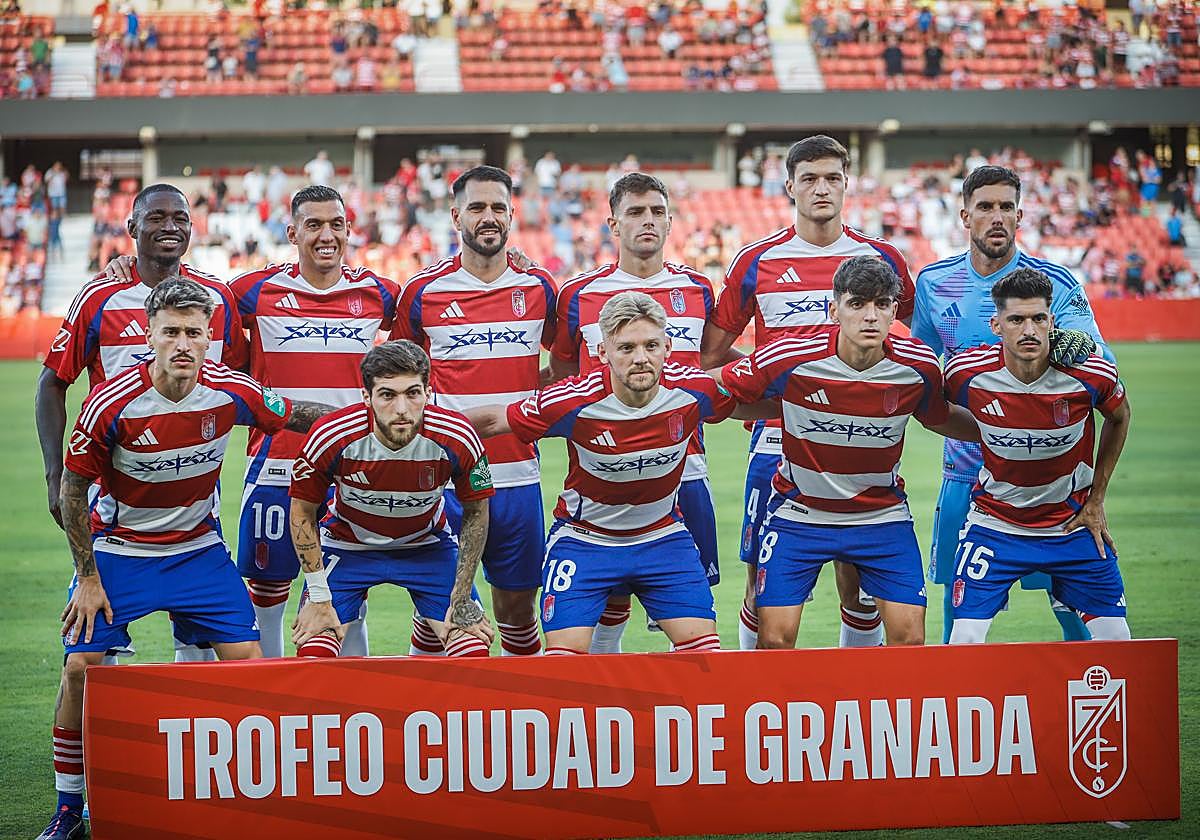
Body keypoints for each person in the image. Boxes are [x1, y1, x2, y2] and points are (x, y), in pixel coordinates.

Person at [36, 276, 329, 840]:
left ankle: (249, 791)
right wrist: (87, 578)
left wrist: (369, 414)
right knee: (79, 669)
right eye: (170, 332)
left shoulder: (232, 391)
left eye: (194, 333)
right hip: (120, 551)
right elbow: (72, 493)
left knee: (249, 665)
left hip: (198, 551)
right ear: (149, 335)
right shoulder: (110, 403)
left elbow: (295, 413)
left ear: (209, 338)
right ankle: (69, 807)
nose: (183, 344)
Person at [699, 135, 915, 651]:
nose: (822, 188)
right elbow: (712, 354)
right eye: (810, 179)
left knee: (860, 587)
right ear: (789, 186)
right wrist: (777, 387)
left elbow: (907, 344)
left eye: (832, 178)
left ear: (847, 184)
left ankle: (855, 691)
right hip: (777, 441)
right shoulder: (758, 260)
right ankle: (756, 691)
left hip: (862, 440)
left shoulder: (882, 258)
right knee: (760, 586)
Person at [465, 292, 759, 655]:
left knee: (705, 656)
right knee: (562, 662)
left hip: (662, 537)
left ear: (668, 348)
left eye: (651, 346)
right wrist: (422, 432)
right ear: (603, 353)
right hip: (585, 541)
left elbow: (751, 403)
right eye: (626, 348)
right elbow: (493, 420)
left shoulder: (694, 390)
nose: (641, 358)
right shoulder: (573, 400)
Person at [715, 256, 980, 648]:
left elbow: (940, 417)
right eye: (857, 303)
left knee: (910, 640)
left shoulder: (919, 367)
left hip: (881, 516)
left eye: (881, 304)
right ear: (834, 309)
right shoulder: (788, 358)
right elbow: (718, 390)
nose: (870, 316)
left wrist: (1010, 430)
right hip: (799, 513)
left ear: (894, 311)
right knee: (775, 639)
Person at [36, 184, 248, 665]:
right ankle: (94, 714)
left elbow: (237, 382)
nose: (169, 227)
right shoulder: (100, 296)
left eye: (180, 218)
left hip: (195, 499)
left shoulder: (217, 297)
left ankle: (191, 718)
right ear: (132, 227)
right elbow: (51, 383)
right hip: (114, 503)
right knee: (94, 637)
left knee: (201, 642)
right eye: (156, 217)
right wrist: (55, 475)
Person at [911, 164, 1112, 644]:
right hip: (965, 472)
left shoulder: (1054, 283)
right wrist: (982, 430)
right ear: (965, 215)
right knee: (959, 602)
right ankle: (959, 689)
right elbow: (921, 373)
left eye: (1007, 207)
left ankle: (1091, 685)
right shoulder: (934, 284)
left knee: (1073, 602)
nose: (997, 216)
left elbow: (1100, 366)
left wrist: (1071, 346)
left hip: (1051, 481)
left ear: (1020, 215)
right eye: (985, 207)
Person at [548, 172, 719, 652]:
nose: (648, 221)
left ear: (670, 221)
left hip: (686, 468)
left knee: (688, 611)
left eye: (657, 212)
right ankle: (608, 681)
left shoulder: (698, 288)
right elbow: (563, 371)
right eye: (636, 212)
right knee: (608, 596)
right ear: (613, 224)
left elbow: (709, 366)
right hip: (605, 470)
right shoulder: (578, 294)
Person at [389, 166, 556, 657]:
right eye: (477, 207)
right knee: (444, 611)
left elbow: (569, 364)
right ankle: (431, 701)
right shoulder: (423, 291)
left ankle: (522, 705)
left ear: (512, 215)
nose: (489, 217)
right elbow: (399, 376)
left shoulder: (539, 287)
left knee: (518, 612)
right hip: (445, 481)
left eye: (498, 207)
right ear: (455, 215)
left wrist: (531, 403)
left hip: (518, 477)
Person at [945, 269, 1132, 643]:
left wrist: (1096, 499)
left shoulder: (1090, 373)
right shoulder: (965, 373)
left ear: (1051, 321)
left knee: (1117, 639)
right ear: (997, 325)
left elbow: (1120, 415)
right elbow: (933, 412)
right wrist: (991, 429)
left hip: (1072, 524)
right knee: (964, 639)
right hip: (996, 524)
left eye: (1038, 319)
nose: (1029, 330)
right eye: (1016, 320)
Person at [290, 341, 495, 659]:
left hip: (427, 546)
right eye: (387, 395)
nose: (401, 409)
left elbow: (476, 511)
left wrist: (462, 596)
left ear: (428, 393)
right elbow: (303, 512)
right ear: (366, 396)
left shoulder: (457, 436)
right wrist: (318, 596)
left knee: (472, 651)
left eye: (412, 393)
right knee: (315, 651)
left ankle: (428, 622)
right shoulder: (331, 435)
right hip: (346, 547)